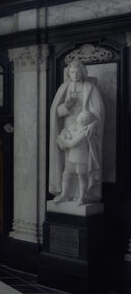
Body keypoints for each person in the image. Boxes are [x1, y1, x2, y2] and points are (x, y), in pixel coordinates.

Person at [49, 59, 105, 205]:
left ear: (83, 72)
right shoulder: (64, 87)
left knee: (82, 164)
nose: (75, 74)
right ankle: (65, 194)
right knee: (67, 164)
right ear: (69, 73)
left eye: (78, 71)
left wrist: (93, 124)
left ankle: (83, 195)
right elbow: (57, 113)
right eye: (72, 72)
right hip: (68, 127)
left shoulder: (90, 87)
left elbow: (99, 112)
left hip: (84, 127)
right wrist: (67, 105)